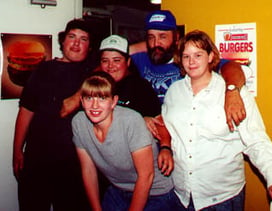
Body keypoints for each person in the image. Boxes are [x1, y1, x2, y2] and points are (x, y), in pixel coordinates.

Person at [161, 30, 272, 211]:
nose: (191, 61)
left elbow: (256, 139)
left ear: (211, 56)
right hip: (182, 196)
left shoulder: (233, 93)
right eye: (186, 56)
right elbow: (166, 125)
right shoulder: (173, 92)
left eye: (198, 55)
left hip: (222, 199)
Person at [12, 19, 98, 211]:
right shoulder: (43, 69)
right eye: (72, 37)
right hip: (37, 160)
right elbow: (26, 110)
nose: (76, 43)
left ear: (89, 47)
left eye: (83, 39)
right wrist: (17, 150)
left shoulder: (91, 71)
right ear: (63, 41)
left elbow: (122, 55)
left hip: (74, 165)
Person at [60, 34, 174, 175]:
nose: (110, 66)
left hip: (134, 168)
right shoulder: (94, 84)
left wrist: (165, 148)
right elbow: (66, 110)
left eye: (116, 60)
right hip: (101, 166)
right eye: (105, 61)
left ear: (127, 62)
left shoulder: (140, 87)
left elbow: (159, 122)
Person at [72, 71, 174, 211]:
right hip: (119, 190)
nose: (95, 105)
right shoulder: (79, 122)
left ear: (113, 101)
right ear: (82, 101)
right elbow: (88, 170)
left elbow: (146, 176)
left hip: (155, 192)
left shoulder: (131, 121)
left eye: (102, 98)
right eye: (89, 98)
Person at [130, 10, 246, 132]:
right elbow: (115, 52)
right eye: (151, 37)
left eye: (162, 37)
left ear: (176, 37)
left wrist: (232, 92)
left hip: (184, 138)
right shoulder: (141, 59)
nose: (155, 43)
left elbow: (233, 67)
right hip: (152, 140)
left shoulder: (188, 62)